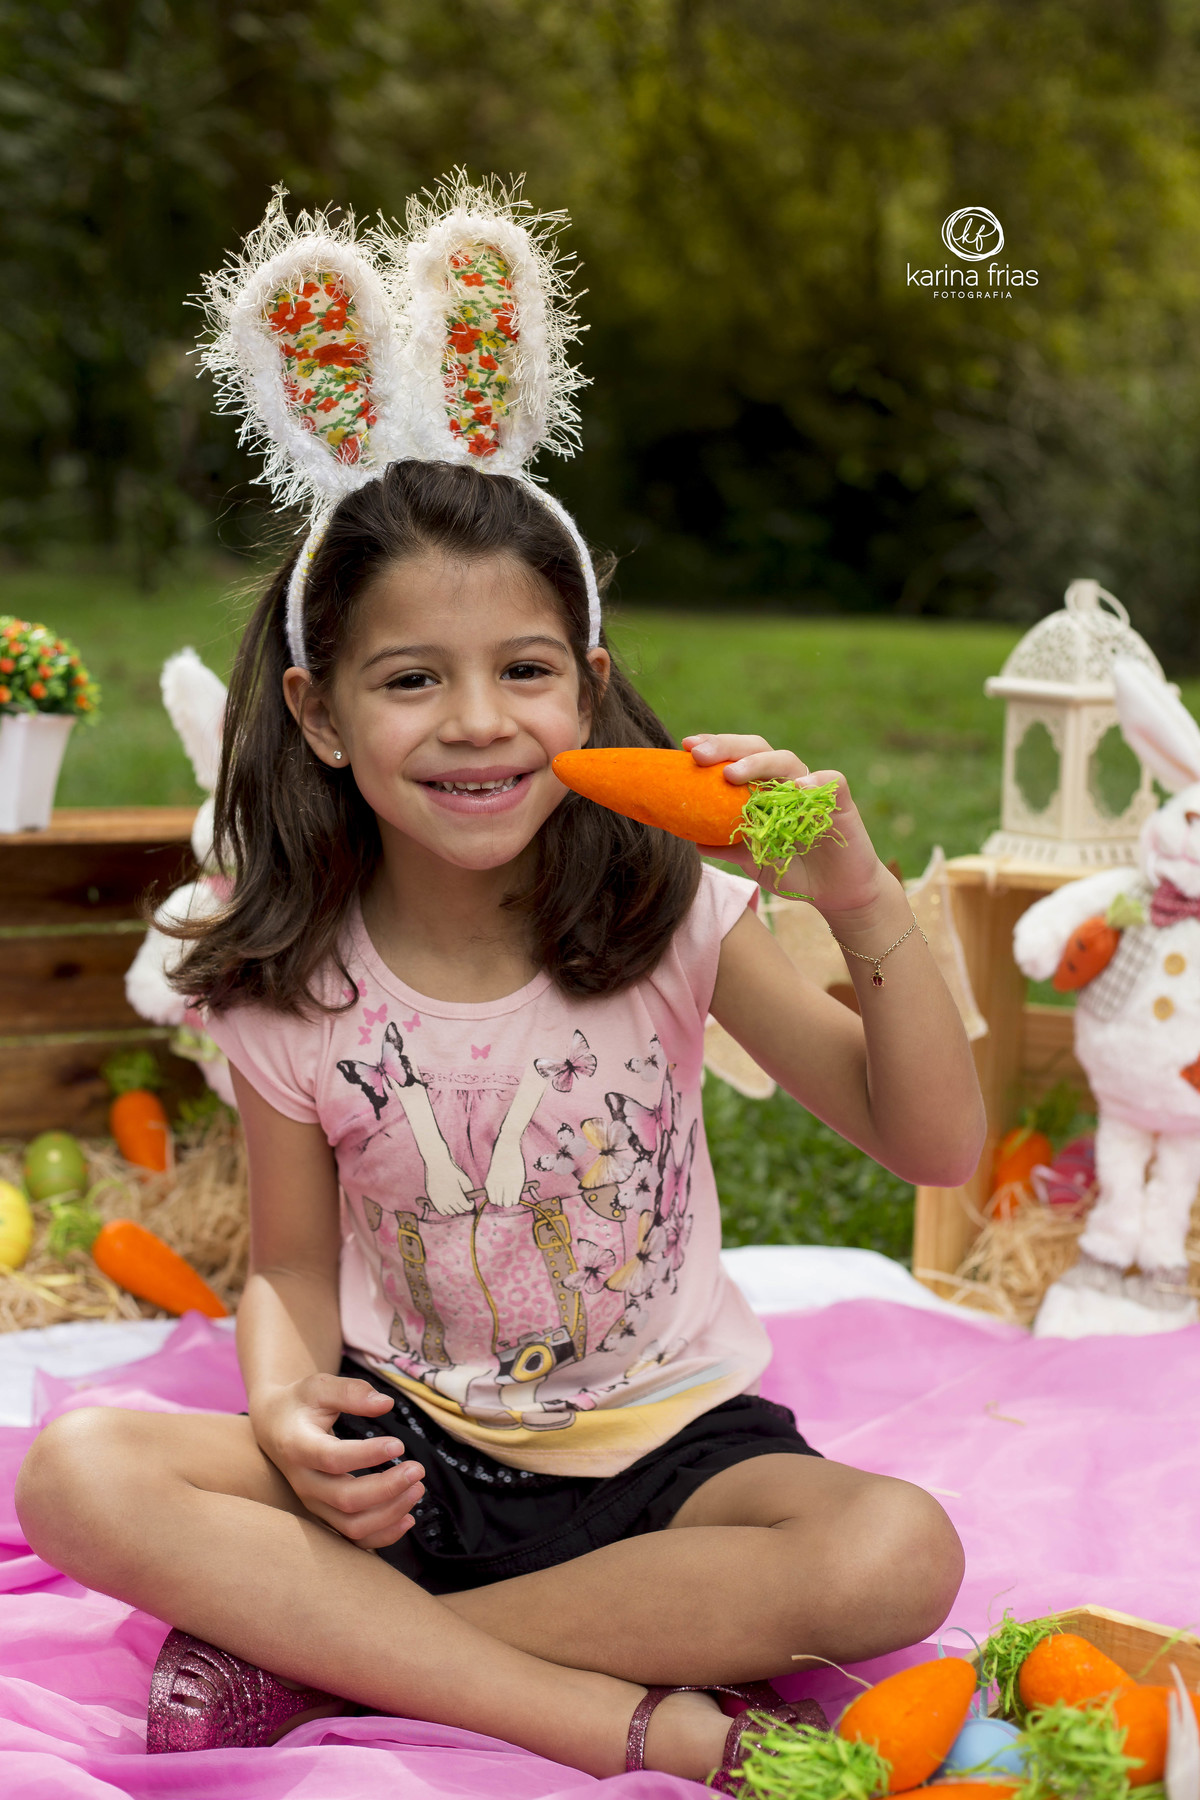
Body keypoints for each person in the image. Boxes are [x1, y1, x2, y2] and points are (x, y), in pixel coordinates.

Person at [15, 189, 985, 1790]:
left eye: (524, 670)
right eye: (412, 679)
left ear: (588, 683)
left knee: (895, 1555)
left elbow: (933, 1146)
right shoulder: (285, 989)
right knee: (79, 1473)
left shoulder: (668, 907)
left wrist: (861, 897)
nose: (479, 722)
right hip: (415, 1454)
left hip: (672, 1454)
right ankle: (575, 1704)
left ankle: (343, 1647)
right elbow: (290, 1270)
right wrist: (283, 1416)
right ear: (322, 715)